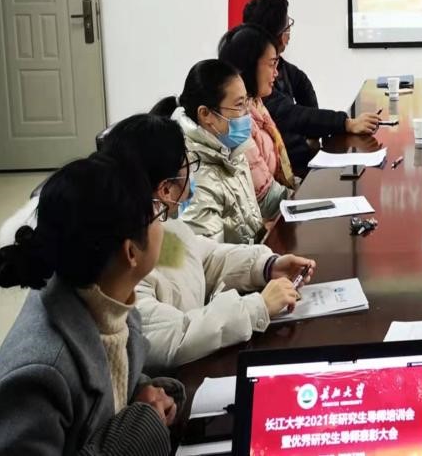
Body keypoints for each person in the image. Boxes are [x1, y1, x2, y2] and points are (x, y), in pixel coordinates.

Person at [0, 154, 183, 455]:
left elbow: (106, 387)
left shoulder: (109, 302)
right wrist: (142, 425)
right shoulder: (41, 373)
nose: (162, 220)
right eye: (155, 212)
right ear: (130, 252)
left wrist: (144, 393)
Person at [100, 113, 315, 369]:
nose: (191, 180)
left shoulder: (160, 224)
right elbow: (173, 336)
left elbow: (205, 258)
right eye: (187, 167)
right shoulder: (124, 259)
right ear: (164, 190)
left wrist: (267, 266)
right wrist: (256, 307)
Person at [242, 0, 379, 172]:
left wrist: (312, 134)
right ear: (277, 34)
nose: (275, 72)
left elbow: (302, 84)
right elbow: (290, 113)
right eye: (287, 24)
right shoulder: (249, 79)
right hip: (284, 171)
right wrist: (346, 123)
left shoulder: (280, 67)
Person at [153, 59, 267, 244]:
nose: (248, 113)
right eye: (239, 105)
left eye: (247, 101)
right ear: (206, 114)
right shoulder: (196, 177)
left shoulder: (230, 149)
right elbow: (209, 257)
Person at [218, 24, 296, 220]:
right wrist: (308, 195)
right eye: (271, 64)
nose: (276, 73)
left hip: (278, 206)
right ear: (250, 66)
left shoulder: (256, 104)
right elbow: (265, 199)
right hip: (266, 221)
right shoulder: (237, 122)